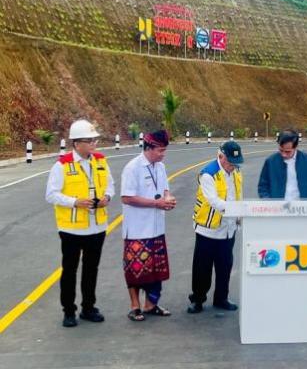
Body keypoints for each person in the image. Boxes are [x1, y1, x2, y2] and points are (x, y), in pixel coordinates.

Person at [45, 119, 114, 327]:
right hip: (71, 229)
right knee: (70, 270)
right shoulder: (62, 165)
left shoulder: (101, 161)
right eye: (90, 140)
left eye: (95, 140)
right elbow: (51, 195)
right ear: (76, 143)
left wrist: (107, 199)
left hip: (97, 226)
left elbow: (111, 185)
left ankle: (88, 307)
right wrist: (75, 202)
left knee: (91, 269)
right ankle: (68, 310)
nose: (94, 144)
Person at [121, 130, 176, 322]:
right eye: (160, 150)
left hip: (156, 228)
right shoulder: (132, 168)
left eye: (164, 150)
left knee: (156, 269)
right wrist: (156, 203)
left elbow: (165, 189)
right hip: (137, 229)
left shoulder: (160, 167)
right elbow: (127, 197)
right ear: (149, 148)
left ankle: (151, 305)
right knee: (136, 269)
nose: (163, 154)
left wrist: (168, 199)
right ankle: (135, 306)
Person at [188, 141, 244, 313]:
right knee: (202, 268)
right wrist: (235, 209)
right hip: (208, 229)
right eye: (231, 163)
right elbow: (213, 201)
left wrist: (240, 214)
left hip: (228, 229)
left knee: (225, 266)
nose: (233, 167)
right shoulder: (208, 174)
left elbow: (238, 194)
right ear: (221, 156)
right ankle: (198, 299)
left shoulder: (236, 172)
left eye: (236, 164)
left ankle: (221, 298)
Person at [258, 129, 307, 200]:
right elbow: (263, 186)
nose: (283, 154)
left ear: (296, 147)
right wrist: (266, 200)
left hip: (303, 208)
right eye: (281, 150)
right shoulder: (270, 162)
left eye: (287, 152)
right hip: (277, 208)